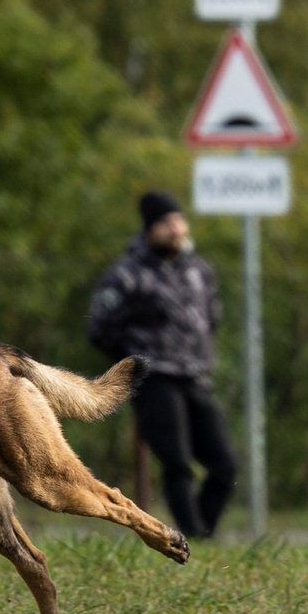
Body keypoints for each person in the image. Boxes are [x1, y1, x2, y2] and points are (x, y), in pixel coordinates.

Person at [87, 190, 237, 539]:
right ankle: (194, 538)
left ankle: (202, 536)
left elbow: (212, 316)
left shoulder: (198, 271)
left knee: (225, 464)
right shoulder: (127, 275)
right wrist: (135, 360)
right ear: (149, 229)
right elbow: (99, 327)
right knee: (177, 463)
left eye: (178, 220)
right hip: (156, 379)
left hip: (196, 374)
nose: (175, 229)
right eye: (165, 223)